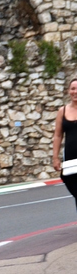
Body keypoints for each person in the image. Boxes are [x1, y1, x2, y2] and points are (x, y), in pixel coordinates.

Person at [52, 77, 77, 213]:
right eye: (73, 88)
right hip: (71, 160)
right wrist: (55, 157)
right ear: (69, 91)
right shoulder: (63, 111)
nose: (75, 92)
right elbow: (58, 135)